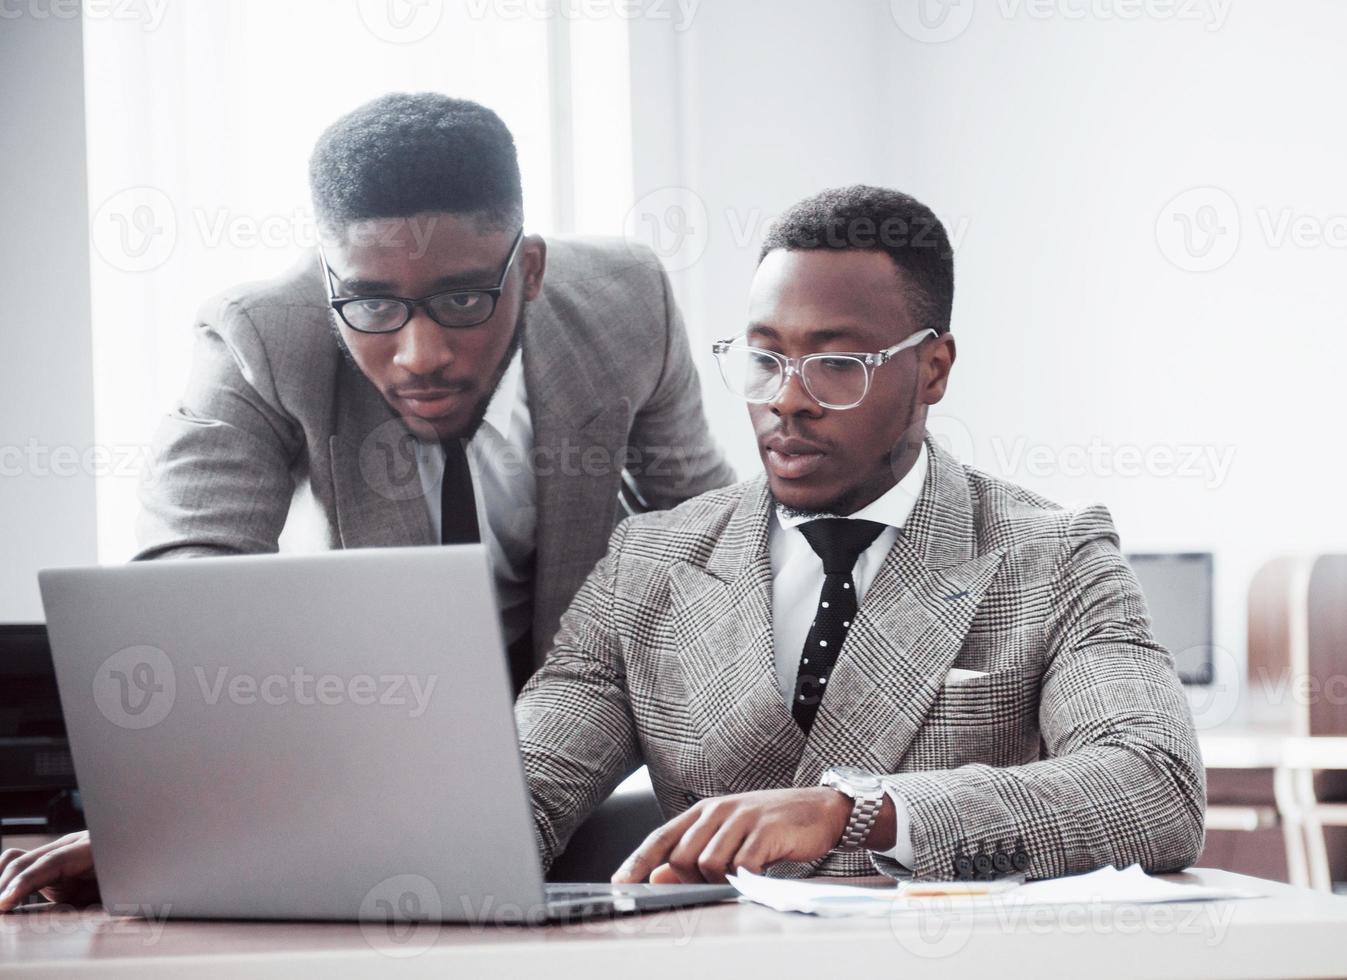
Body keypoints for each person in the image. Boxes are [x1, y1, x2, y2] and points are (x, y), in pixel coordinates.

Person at [0, 186, 1202, 907]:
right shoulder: (650, 563)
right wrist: (207, 852)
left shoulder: (1049, 552)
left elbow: (1152, 789)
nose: (782, 397)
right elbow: (499, 794)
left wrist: (859, 813)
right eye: (760, 354)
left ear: (930, 367)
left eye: (833, 360)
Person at [136, 91, 732, 689]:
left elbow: (716, 543)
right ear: (328, 281)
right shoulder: (259, 336)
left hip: (573, 697)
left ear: (529, 271)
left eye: (464, 299)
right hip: (362, 704)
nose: (421, 357)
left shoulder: (627, 302)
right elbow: (185, 587)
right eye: (372, 303)